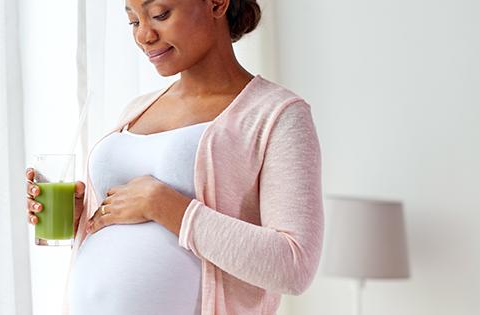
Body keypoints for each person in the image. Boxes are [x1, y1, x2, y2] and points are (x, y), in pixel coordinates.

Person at [25, 0, 324, 314]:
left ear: (217, 4)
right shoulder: (137, 109)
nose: (143, 35)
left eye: (159, 15)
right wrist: (81, 219)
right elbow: (125, 227)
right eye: (133, 21)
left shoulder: (276, 114)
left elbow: (294, 266)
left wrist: (165, 205)